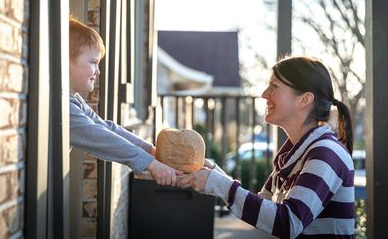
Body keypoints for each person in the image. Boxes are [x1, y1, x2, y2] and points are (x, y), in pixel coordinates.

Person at [178, 56, 355, 238]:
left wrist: (219, 184)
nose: (264, 94)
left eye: (274, 86)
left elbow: (288, 223)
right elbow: (265, 214)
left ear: (304, 100)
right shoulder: (292, 155)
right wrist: (215, 174)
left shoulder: (326, 153)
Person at [69, 17, 182, 186]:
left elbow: (106, 127)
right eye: (93, 62)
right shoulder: (62, 106)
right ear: (66, 62)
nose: (98, 71)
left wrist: (152, 151)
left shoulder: (73, 99)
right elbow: (99, 136)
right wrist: (151, 163)